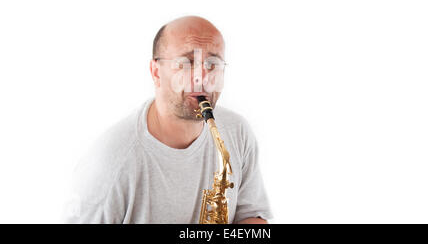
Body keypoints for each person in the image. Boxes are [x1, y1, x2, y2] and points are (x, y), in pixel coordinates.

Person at [63, 16, 273, 223]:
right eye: (186, 63)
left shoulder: (238, 131)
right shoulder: (109, 163)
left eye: (212, 63)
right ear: (156, 72)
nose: (202, 77)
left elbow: (251, 216)